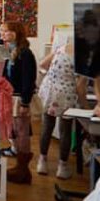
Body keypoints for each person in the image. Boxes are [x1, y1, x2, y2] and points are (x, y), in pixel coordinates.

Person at [1, 21, 37, 184]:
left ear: (16, 33)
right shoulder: (9, 50)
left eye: (6, 31)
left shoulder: (25, 53)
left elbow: (28, 79)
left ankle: (23, 169)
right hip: (11, 96)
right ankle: (20, 166)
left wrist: (25, 102)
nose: (3, 34)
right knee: (16, 130)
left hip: (20, 98)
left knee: (22, 131)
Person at [37, 45, 80, 179]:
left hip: (51, 91)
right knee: (65, 130)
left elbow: (43, 64)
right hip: (68, 94)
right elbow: (80, 86)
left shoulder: (61, 47)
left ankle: (42, 162)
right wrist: (84, 105)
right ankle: (62, 167)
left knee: (46, 127)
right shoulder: (85, 55)